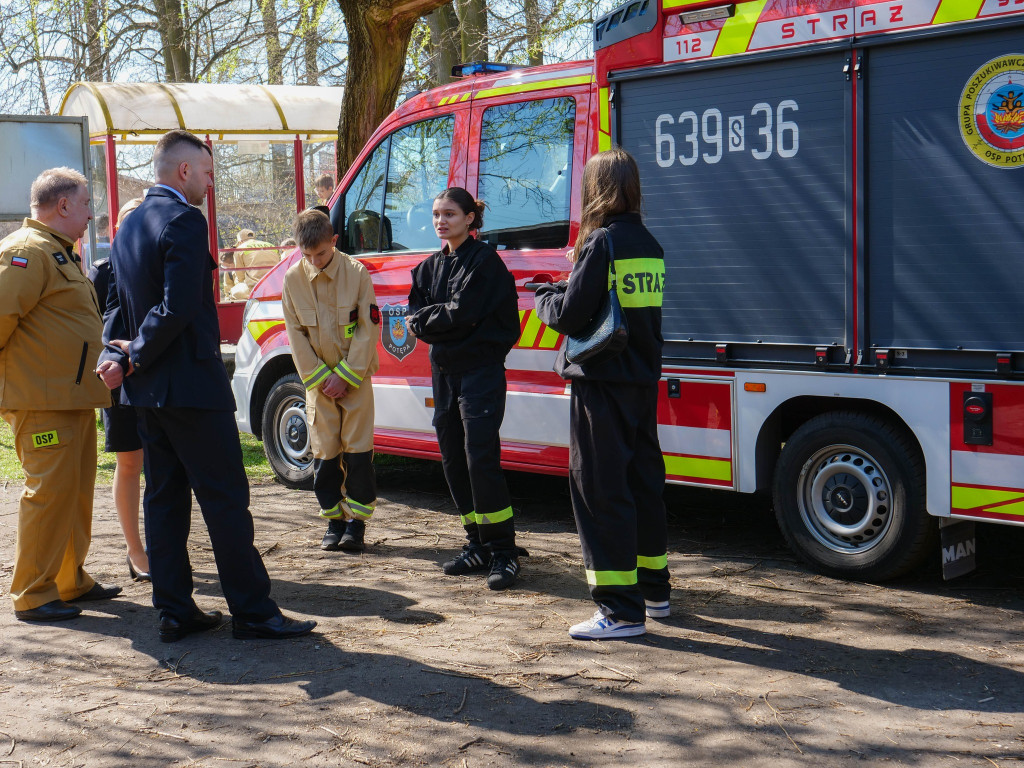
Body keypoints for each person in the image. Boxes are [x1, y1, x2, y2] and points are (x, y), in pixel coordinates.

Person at [96, 129, 315, 643]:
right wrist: (137, 353)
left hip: (148, 392)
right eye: (209, 173)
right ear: (184, 171)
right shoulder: (184, 220)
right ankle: (254, 612)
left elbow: (117, 309)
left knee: (165, 501)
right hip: (191, 387)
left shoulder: (126, 229)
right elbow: (176, 308)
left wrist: (120, 355)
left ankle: (174, 609)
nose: (212, 184)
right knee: (224, 501)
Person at [534, 148, 670, 640]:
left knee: (599, 490)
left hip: (602, 385)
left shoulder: (601, 244)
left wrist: (544, 294)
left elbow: (569, 316)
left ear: (598, 191)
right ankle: (655, 593)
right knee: (642, 486)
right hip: (640, 384)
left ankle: (618, 610)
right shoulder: (649, 244)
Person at [0, 167, 122, 623]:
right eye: (87, 203)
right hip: (41, 401)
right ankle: (33, 592)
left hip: (71, 398)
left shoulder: (58, 253)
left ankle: (68, 580)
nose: (93, 213)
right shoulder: (25, 252)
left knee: (73, 493)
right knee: (48, 494)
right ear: (63, 206)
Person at [406, 187, 525, 591]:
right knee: (453, 459)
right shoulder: (426, 269)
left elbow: (463, 312)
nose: (441, 221)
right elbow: (416, 318)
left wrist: (434, 320)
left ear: (471, 218)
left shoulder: (485, 263)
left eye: (450, 214)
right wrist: (442, 321)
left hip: (481, 373)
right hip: (445, 373)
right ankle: (476, 543)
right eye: (437, 214)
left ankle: (504, 552)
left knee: (480, 460)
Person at [281, 210, 380, 553]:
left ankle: (356, 523)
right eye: (306, 255)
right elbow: (295, 335)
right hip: (319, 386)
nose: (314, 261)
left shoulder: (356, 273)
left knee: (357, 453)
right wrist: (323, 379)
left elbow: (368, 329)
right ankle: (333, 521)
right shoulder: (292, 279)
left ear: (334, 241)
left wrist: (347, 376)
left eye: (320, 253)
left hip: (355, 382)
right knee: (324, 454)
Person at [90, 197, 149, 582]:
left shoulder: (162, 265)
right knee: (129, 463)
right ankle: (136, 550)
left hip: (159, 379)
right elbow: (95, 330)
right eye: (127, 222)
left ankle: (163, 548)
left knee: (163, 466)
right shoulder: (102, 272)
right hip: (118, 379)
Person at [229, 229, 279, 300]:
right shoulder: (271, 245)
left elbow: (240, 276)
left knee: (233, 292)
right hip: (275, 287)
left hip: (256, 289)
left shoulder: (240, 249)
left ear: (240, 242)